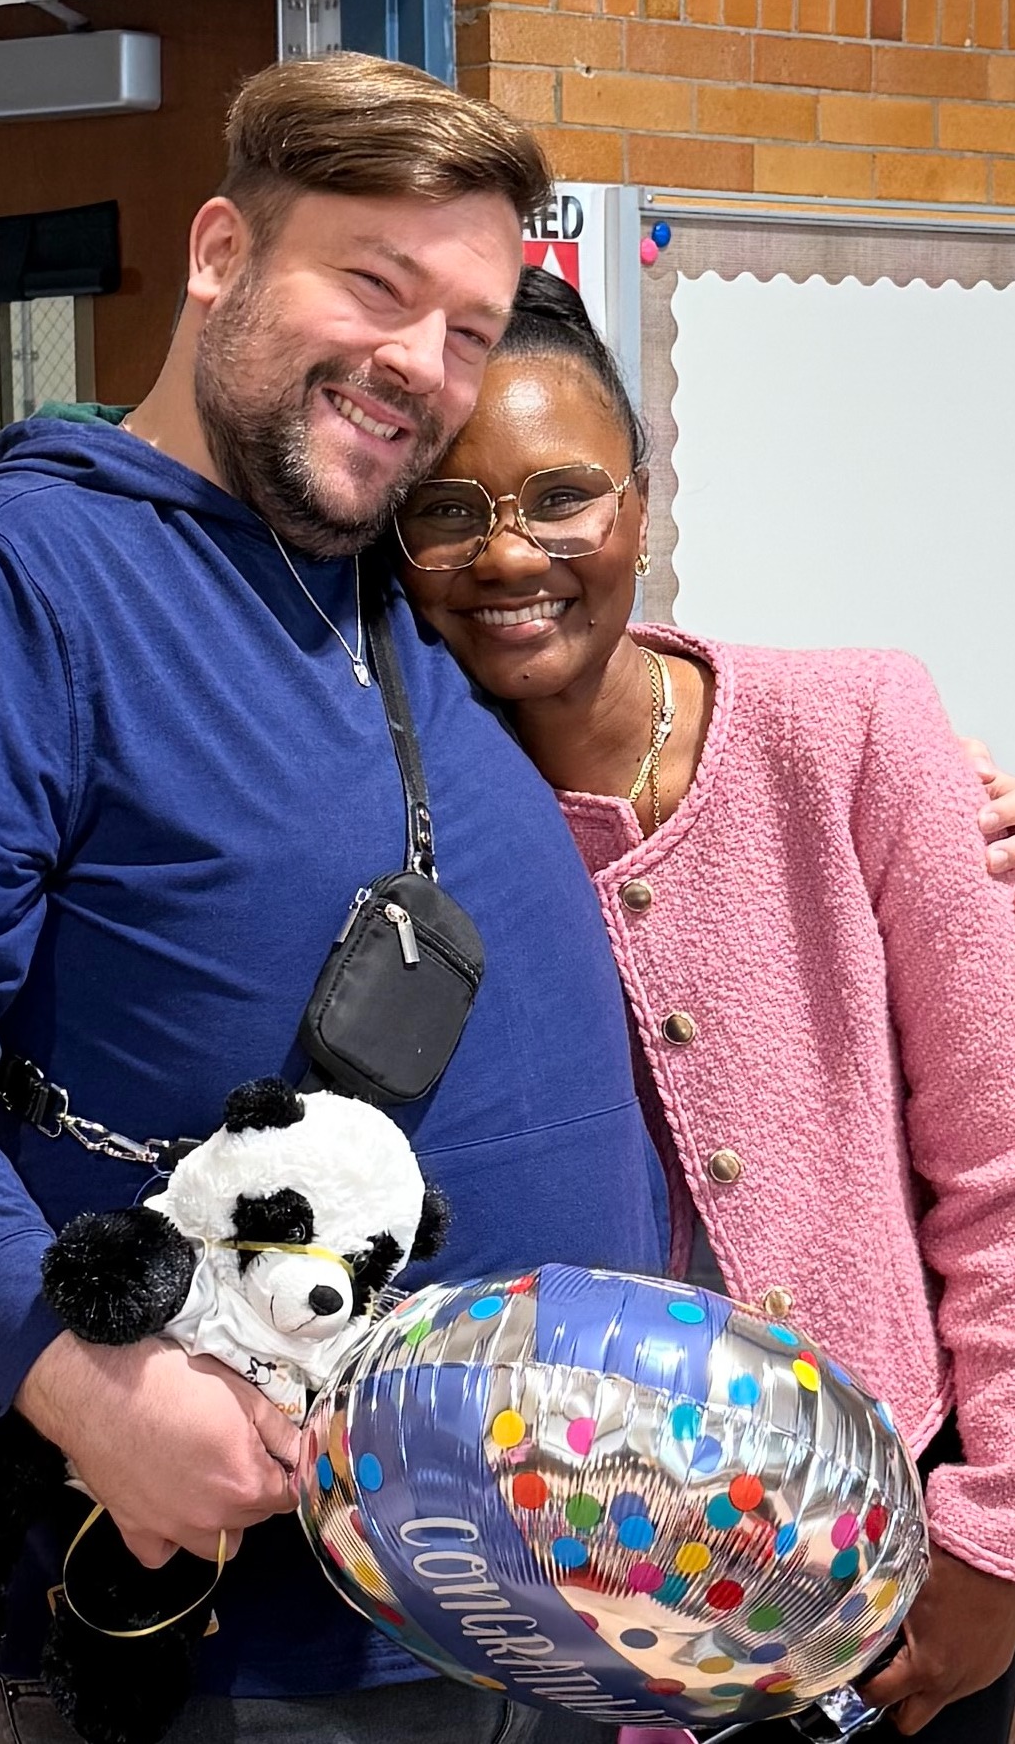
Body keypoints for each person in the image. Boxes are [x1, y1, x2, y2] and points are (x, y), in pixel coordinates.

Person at [0, 61, 668, 1744]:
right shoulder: (2, 592)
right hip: (226, 1643)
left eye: (465, 325)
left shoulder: (372, 582)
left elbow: (615, 693)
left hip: (538, 1602)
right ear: (220, 251)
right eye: (373, 284)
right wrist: (83, 1379)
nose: (421, 369)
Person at [394, 264, 1015, 1743]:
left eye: (561, 495)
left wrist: (994, 1539)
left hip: (891, 1521)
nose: (508, 554)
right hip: (560, 1569)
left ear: (639, 499)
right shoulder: (391, 818)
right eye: (445, 510)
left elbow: (998, 1163)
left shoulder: (851, 726)